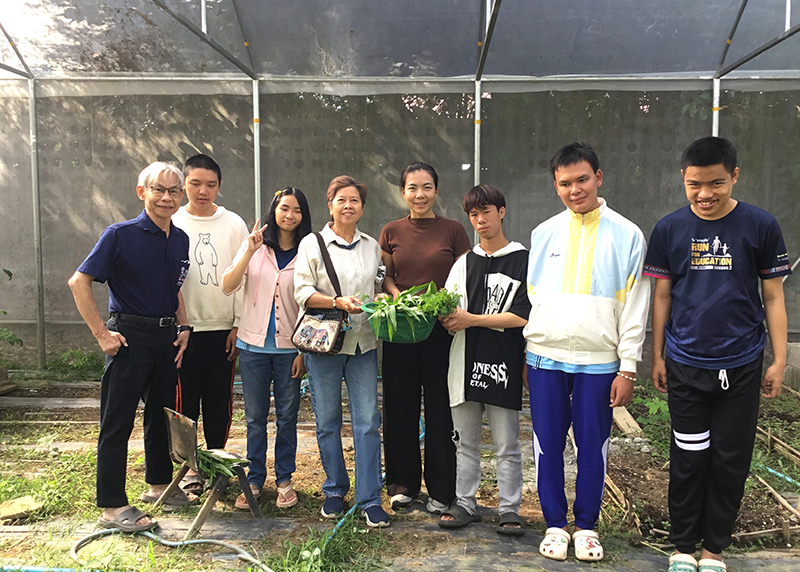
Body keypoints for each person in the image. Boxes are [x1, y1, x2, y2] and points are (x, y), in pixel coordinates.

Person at [644, 137, 790, 572]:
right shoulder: (669, 229)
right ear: (683, 181)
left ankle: (713, 551)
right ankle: (684, 547)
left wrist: (778, 359)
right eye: (694, 185)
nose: (705, 194)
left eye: (716, 184)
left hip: (743, 365)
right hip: (686, 365)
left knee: (730, 459)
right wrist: (657, 355)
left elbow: (773, 296)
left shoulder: (760, 226)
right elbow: (663, 297)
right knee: (687, 457)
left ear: (735, 177)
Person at [525, 143, 650, 562]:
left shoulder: (628, 234)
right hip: (544, 359)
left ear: (599, 177)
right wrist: (532, 349)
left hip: (600, 362)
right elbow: (534, 298)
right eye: (565, 183)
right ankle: (555, 525)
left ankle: (587, 526)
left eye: (582, 179)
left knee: (593, 444)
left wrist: (627, 368)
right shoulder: (543, 234)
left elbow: (636, 306)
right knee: (547, 443)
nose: (574, 189)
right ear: (555, 186)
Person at [67, 162, 194, 533]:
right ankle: (112, 505)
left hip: (165, 337)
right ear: (142, 192)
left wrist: (183, 326)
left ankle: (159, 486)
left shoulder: (180, 239)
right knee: (117, 420)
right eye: (159, 189)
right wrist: (101, 335)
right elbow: (79, 282)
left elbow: (174, 288)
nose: (167, 197)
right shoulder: (119, 235)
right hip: (129, 338)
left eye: (174, 191)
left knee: (160, 415)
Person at [294, 175, 389, 528]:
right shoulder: (312, 243)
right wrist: (336, 301)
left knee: (367, 422)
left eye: (355, 200)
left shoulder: (370, 244)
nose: (348, 205)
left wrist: (380, 297)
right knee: (328, 420)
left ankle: (370, 498)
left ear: (362, 207)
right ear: (330, 204)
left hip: (364, 343)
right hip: (326, 345)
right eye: (342, 199)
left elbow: (377, 283)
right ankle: (334, 488)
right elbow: (301, 291)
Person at [437, 185, 530, 536]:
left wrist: (471, 319)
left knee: (506, 443)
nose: (480, 220)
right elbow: (450, 308)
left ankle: (510, 508)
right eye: (473, 215)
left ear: (502, 212)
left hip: (503, 363)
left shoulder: (523, 260)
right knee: (465, 440)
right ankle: (465, 502)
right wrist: (447, 318)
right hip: (463, 361)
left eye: (486, 212)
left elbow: (522, 316)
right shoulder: (464, 262)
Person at [379, 162, 471, 514]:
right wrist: (394, 296)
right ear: (403, 192)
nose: (420, 195)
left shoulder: (453, 230)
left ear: (436, 191)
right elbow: (385, 277)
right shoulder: (391, 231)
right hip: (401, 329)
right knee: (399, 407)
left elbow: (462, 278)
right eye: (413, 188)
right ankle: (402, 485)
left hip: (440, 332)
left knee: (441, 409)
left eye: (427, 187)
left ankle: (442, 489)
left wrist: (449, 307)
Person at [221, 187, 311, 510]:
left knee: (287, 416)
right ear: (273, 211)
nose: (289, 215)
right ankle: (255, 479)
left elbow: (310, 306)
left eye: (296, 210)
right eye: (284, 208)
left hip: (291, 349)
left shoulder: (308, 251)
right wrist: (248, 250)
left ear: (304, 216)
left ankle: (285, 479)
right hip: (253, 347)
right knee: (255, 417)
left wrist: (303, 350)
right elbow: (228, 285)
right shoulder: (255, 247)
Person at [171, 154, 248, 495]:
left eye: (211, 185)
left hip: (222, 328)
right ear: (184, 184)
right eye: (195, 184)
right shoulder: (172, 222)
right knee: (184, 402)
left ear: (219, 186)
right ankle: (189, 470)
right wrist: (178, 324)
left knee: (219, 401)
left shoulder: (233, 223)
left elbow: (245, 275)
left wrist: (238, 324)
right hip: (183, 331)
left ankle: (217, 463)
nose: (203, 191)